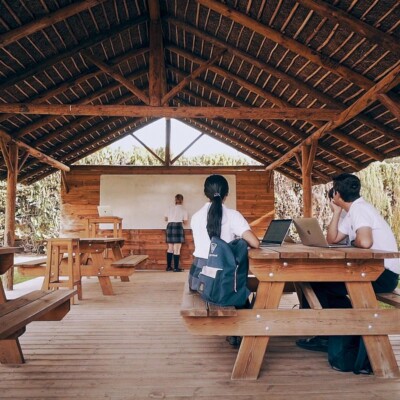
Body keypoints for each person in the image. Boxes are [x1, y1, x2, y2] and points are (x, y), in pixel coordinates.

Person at [297, 173, 400, 352]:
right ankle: (340, 329)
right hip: (373, 271)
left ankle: (326, 335)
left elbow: (365, 242)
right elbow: (332, 239)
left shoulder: (360, 210)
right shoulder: (353, 211)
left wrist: (354, 242)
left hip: (382, 276)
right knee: (318, 283)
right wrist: (336, 213)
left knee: (317, 284)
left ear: (336, 194)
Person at [190, 174, 260, 346]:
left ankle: (237, 330)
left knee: (237, 282)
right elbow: (255, 243)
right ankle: (244, 330)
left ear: (205, 193)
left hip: (199, 277)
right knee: (241, 284)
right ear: (226, 194)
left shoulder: (196, 216)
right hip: (222, 280)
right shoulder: (232, 215)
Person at [165, 194, 188, 272]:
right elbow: (185, 222)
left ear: (175, 200)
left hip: (169, 226)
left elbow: (165, 219)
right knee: (177, 249)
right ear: (182, 200)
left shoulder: (169, 208)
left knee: (170, 248)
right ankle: (176, 268)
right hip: (178, 226)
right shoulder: (183, 210)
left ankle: (168, 267)